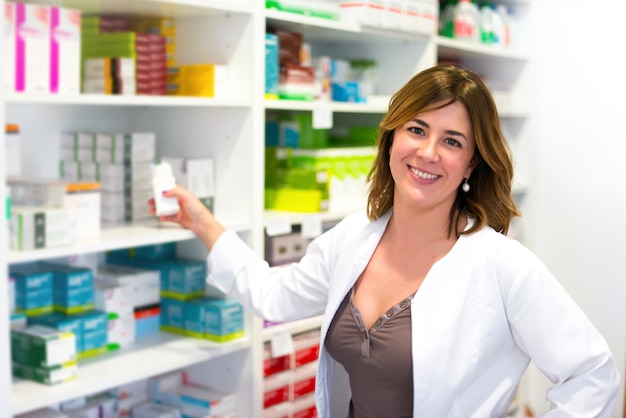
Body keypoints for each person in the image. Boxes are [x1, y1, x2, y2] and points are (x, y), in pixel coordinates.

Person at [150, 64, 620, 417]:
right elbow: (274, 295)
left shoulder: (501, 266)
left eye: (453, 141)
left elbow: (593, 375)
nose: (428, 152)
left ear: (472, 165)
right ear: (391, 137)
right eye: (417, 129)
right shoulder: (352, 239)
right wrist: (203, 224)